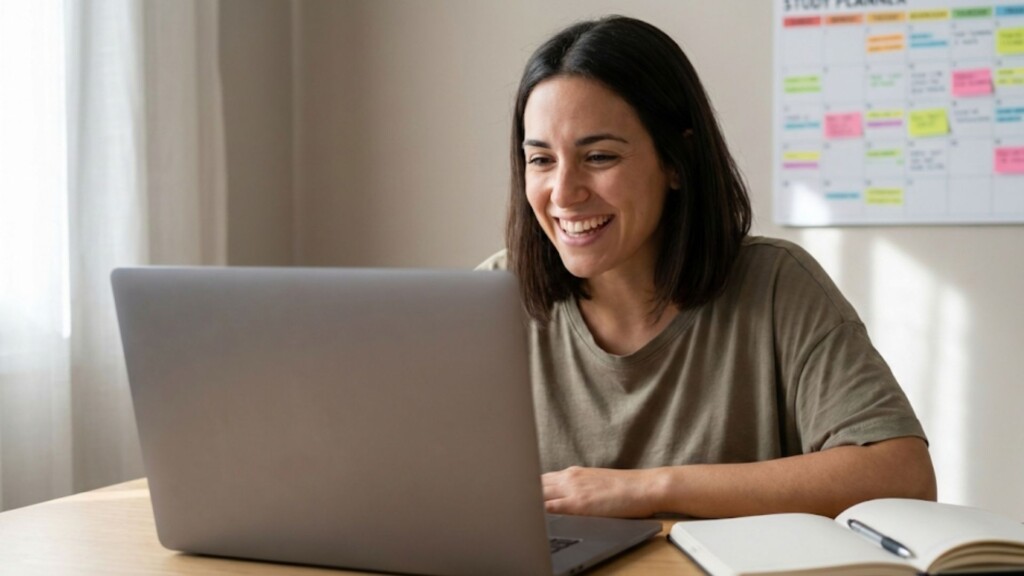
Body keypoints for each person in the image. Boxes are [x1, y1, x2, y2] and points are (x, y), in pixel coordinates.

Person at [478, 15, 936, 519]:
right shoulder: (490, 302)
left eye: (600, 156)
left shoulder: (778, 285)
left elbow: (902, 474)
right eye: (541, 160)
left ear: (677, 161)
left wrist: (649, 489)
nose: (564, 193)